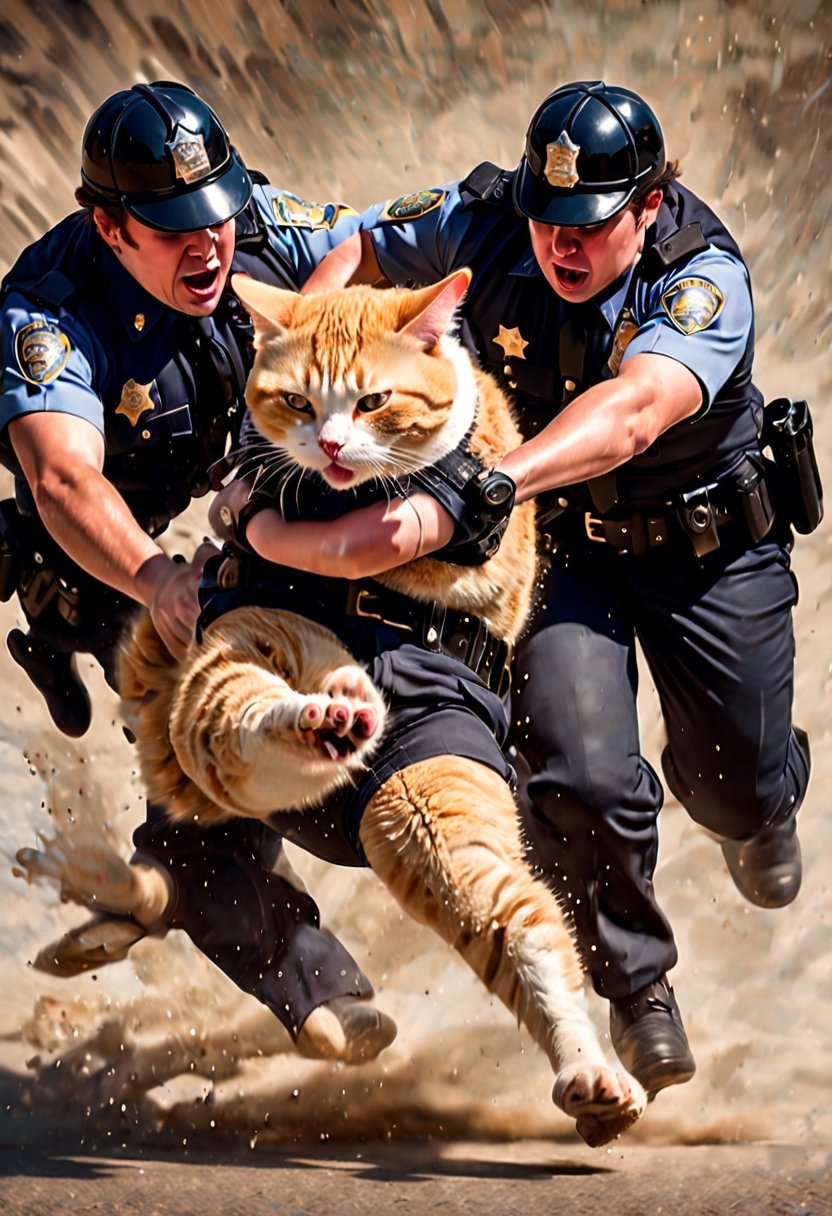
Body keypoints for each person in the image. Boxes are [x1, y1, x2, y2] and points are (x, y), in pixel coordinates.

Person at [230, 79, 818, 1098]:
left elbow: (633, 413)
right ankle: (637, 986)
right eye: (548, 224)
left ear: (646, 203)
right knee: (576, 779)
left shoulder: (699, 278)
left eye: (591, 226)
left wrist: (493, 478)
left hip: (704, 551)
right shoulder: (479, 219)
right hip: (563, 553)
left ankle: (759, 807)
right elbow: (356, 263)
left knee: (732, 779)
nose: (563, 247)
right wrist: (308, 356)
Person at [1, 80, 397, 1064]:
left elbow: (393, 242)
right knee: (202, 753)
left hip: (232, 509)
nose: (209, 244)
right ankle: (311, 979)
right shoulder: (48, 309)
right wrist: (151, 578)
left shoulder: (259, 226)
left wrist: (315, 327)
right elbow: (60, 476)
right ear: (109, 226)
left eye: (216, 214)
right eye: (174, 228)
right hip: (105, 546)